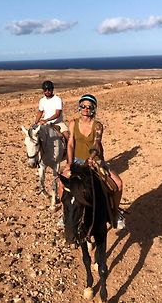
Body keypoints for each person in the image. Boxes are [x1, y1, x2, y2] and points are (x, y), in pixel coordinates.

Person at [64, 94, 125, 229]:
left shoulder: (97, 126)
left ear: (93, 109)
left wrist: (91, 157)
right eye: (83, 106)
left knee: (118, 184)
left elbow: (97, 143)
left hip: (95, 161)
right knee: (61, 183)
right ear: (79, 107)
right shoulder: (73, 123)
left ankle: (115, 213)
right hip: (77, 161)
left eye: (89, 107)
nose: (86, 109)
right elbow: (70, 144)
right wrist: (69, 163)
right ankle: (65, 214)